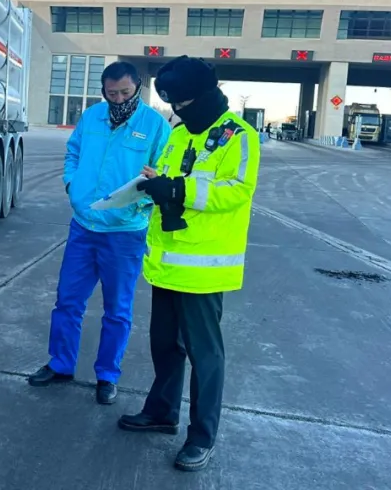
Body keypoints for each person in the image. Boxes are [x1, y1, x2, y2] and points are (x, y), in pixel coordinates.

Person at [117, 56, 260, 472]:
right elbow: (168, 175)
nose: (179, 110)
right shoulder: (179, 134)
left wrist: (177, 189)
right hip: (167, 264)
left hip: (204, 269)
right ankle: (162, 412)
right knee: (164, 345)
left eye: (184, 103)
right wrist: (154, 183)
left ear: (206, 95)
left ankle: (201, 436)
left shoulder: (239, 136)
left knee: (205, 355)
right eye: (174, 104)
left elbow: (237, 190)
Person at [28, 61, 171, 405]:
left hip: (124, 232)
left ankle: (107, 375)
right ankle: (60, 364)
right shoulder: (92, 117)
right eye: (111, 93)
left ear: (138, 88)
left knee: (117, 310)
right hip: (84, 226)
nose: (118, 99)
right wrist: (71, 184)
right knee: (67, 301)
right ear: (103, 91)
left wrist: (142, 202)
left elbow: (163, 173)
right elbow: (73, 152)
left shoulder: (155, 125)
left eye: (125, 92)